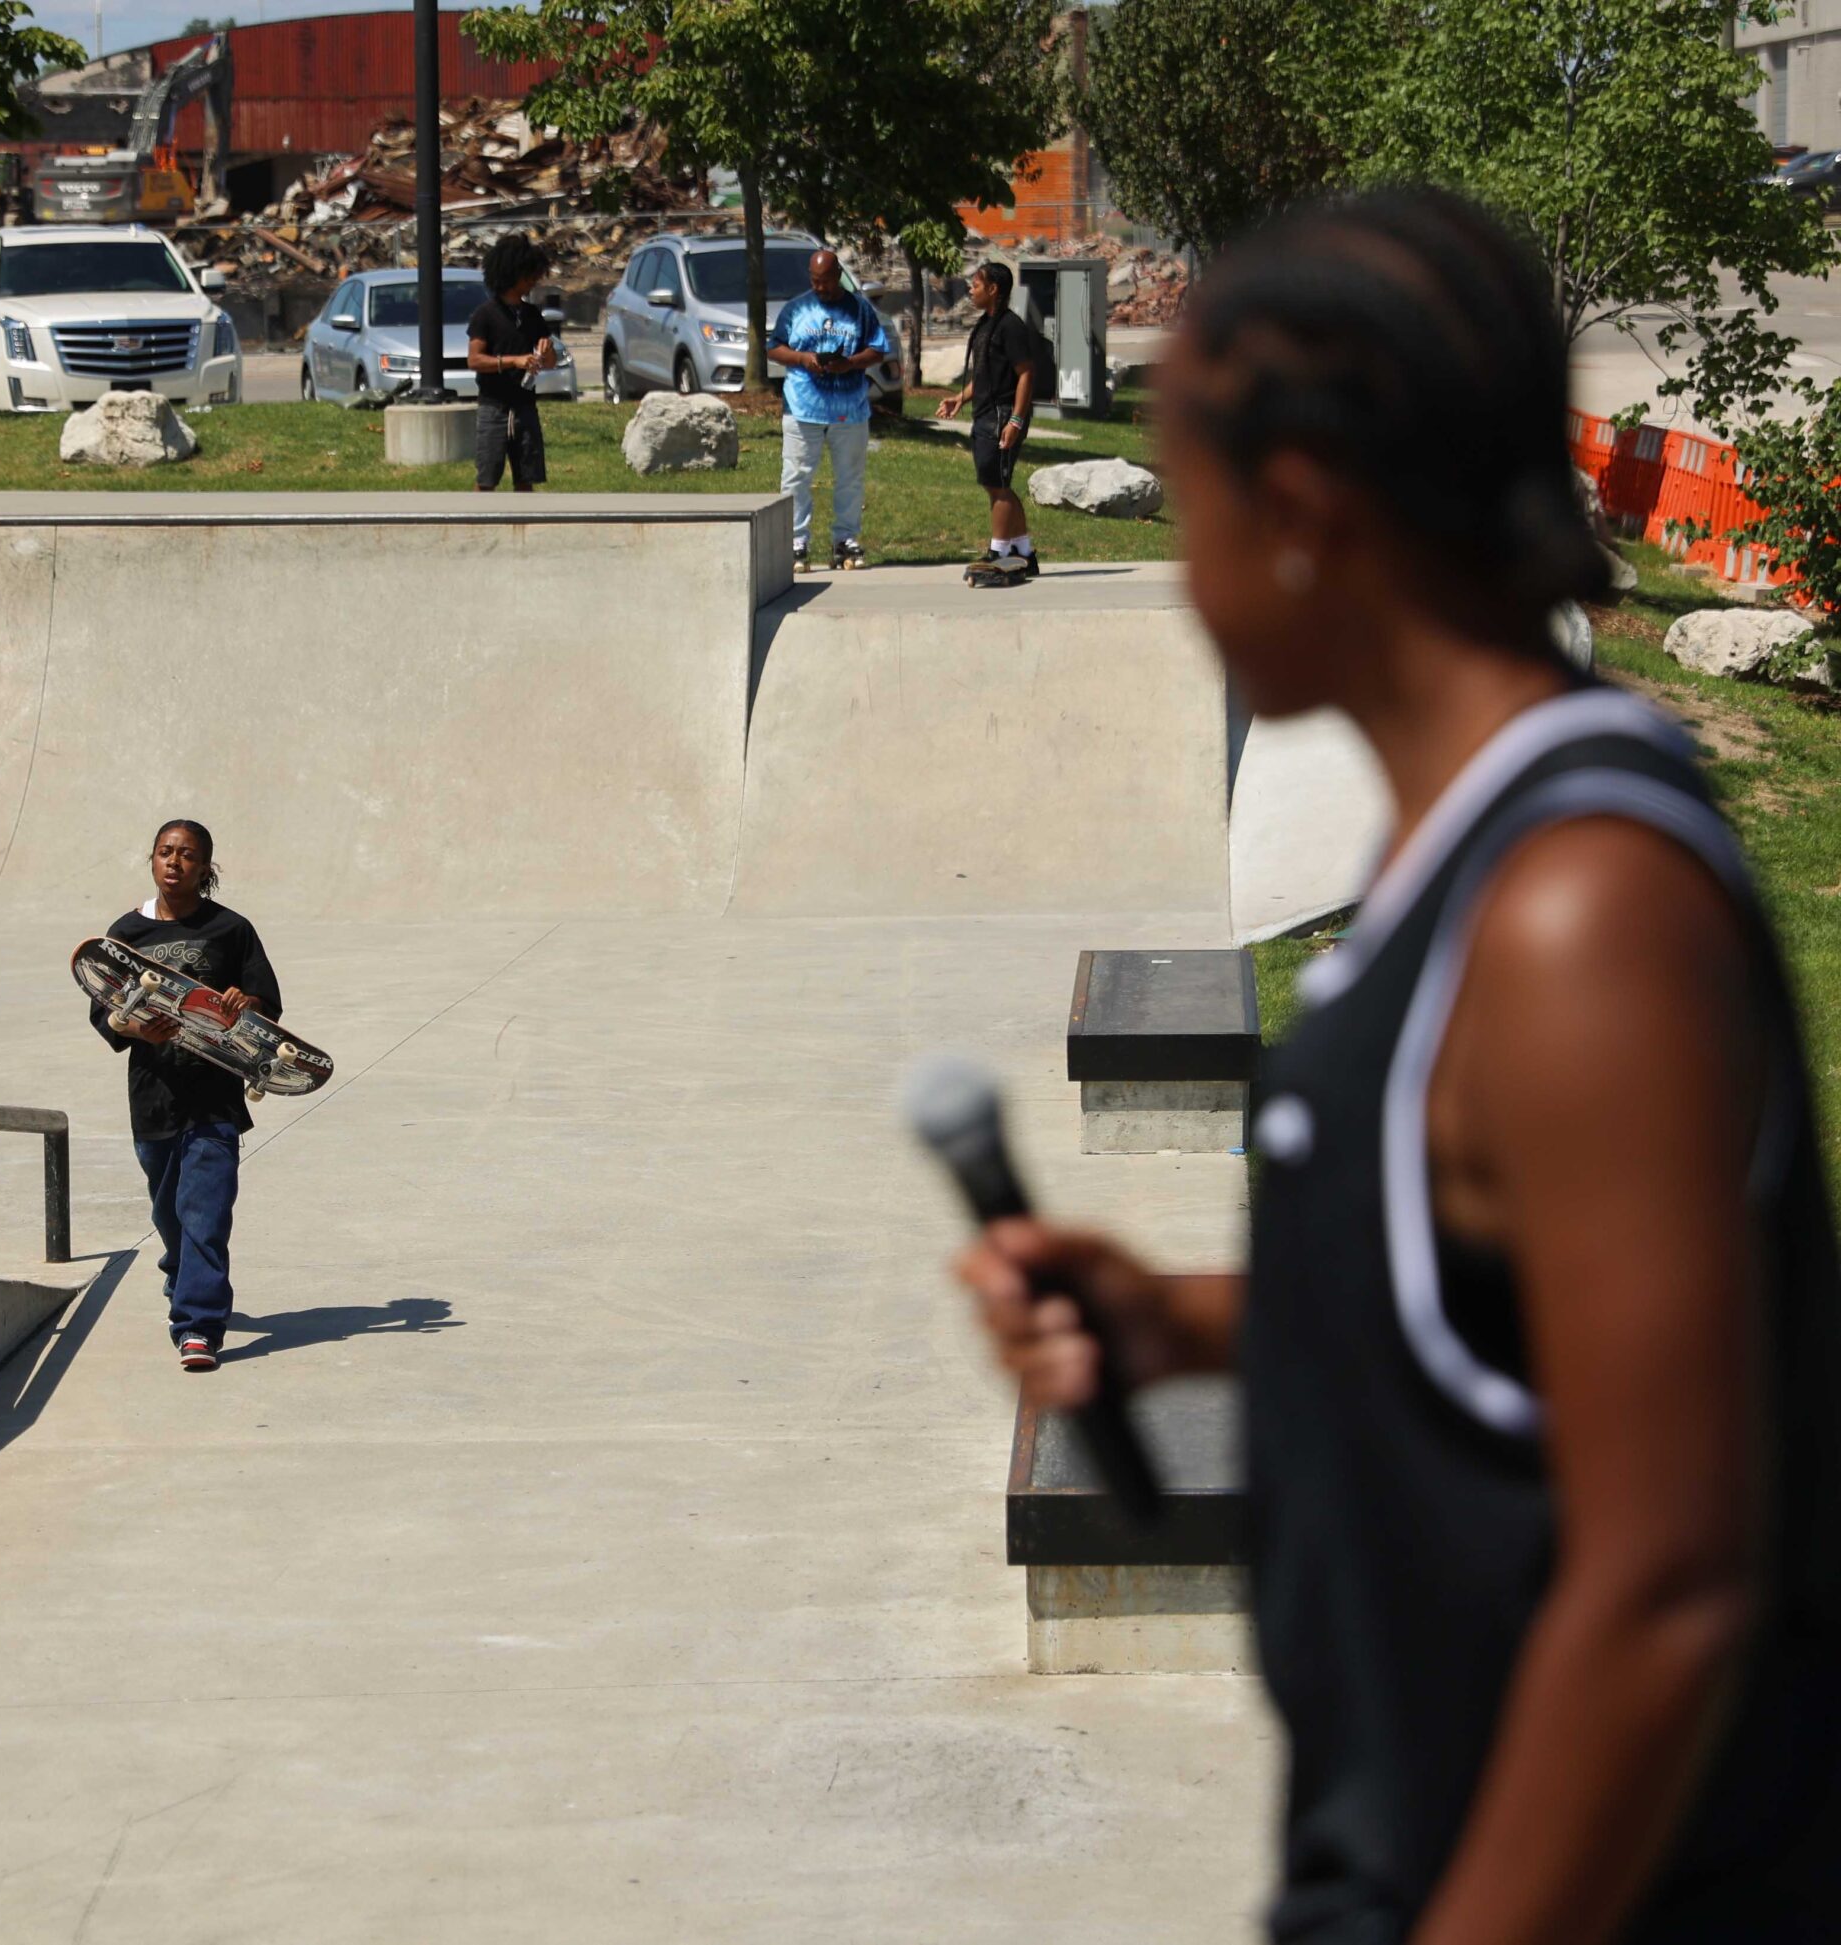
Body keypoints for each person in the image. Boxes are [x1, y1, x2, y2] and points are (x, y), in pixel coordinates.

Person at [960, 187, 1841, 1941]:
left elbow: (1675, 1571)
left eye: (1189, 505)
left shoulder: (1582, 912)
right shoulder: (1477, 862)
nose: (1185, 577)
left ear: (1295, 515)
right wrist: (1184, 1321)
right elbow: (1514, 1318)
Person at [90, 819, 282, 1374]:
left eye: (188, 855)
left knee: (206, 1209)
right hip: (154, 1094)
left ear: (206, 868)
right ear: (152, 861)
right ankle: (180, 1264)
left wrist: (245, 1004)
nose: (175, 862)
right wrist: (131, 1028)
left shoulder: (231, 930)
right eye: (165, 852)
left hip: (215, 1095)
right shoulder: (125, 933)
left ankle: (197, 1325)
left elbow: (265, 1004)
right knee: (168, 1210)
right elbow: (102, 1010)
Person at [769, 248, 888, 571]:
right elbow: (774, 347)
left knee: (849, 478)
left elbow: (878, 349)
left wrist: (848, 363)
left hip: (849, 409)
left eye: (826, 281)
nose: (820, 287)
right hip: (802, 406)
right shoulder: (797, 308)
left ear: (838, 276)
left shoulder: (859, 309)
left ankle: (845, 540)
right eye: (815, 280)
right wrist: (803, 359)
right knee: (796, 476)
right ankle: (795, 541)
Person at [936, 261, 1041, 578]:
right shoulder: (986, 324)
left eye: (976, 284)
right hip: (986, 414)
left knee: (998, 486)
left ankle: (998, 552)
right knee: (998, 485)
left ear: (993, 289)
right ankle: (1024, 552)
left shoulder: (1010, 326)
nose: (970, 289)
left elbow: (1026, 374)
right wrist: (960, 398)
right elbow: (984, 375)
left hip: (1002, 416)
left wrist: (1016, 421)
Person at [467, 234, 558, 493]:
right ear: (511, 274)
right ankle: (477, 523)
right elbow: (474, 360)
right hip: (493, 407)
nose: (533, 282)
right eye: (529, 276)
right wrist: (513, 361)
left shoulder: (532, 315)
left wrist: (546, 351)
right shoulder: (485, 314)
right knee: (487, 478)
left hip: (525, 405)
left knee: (526, 477)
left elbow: (550, 362)